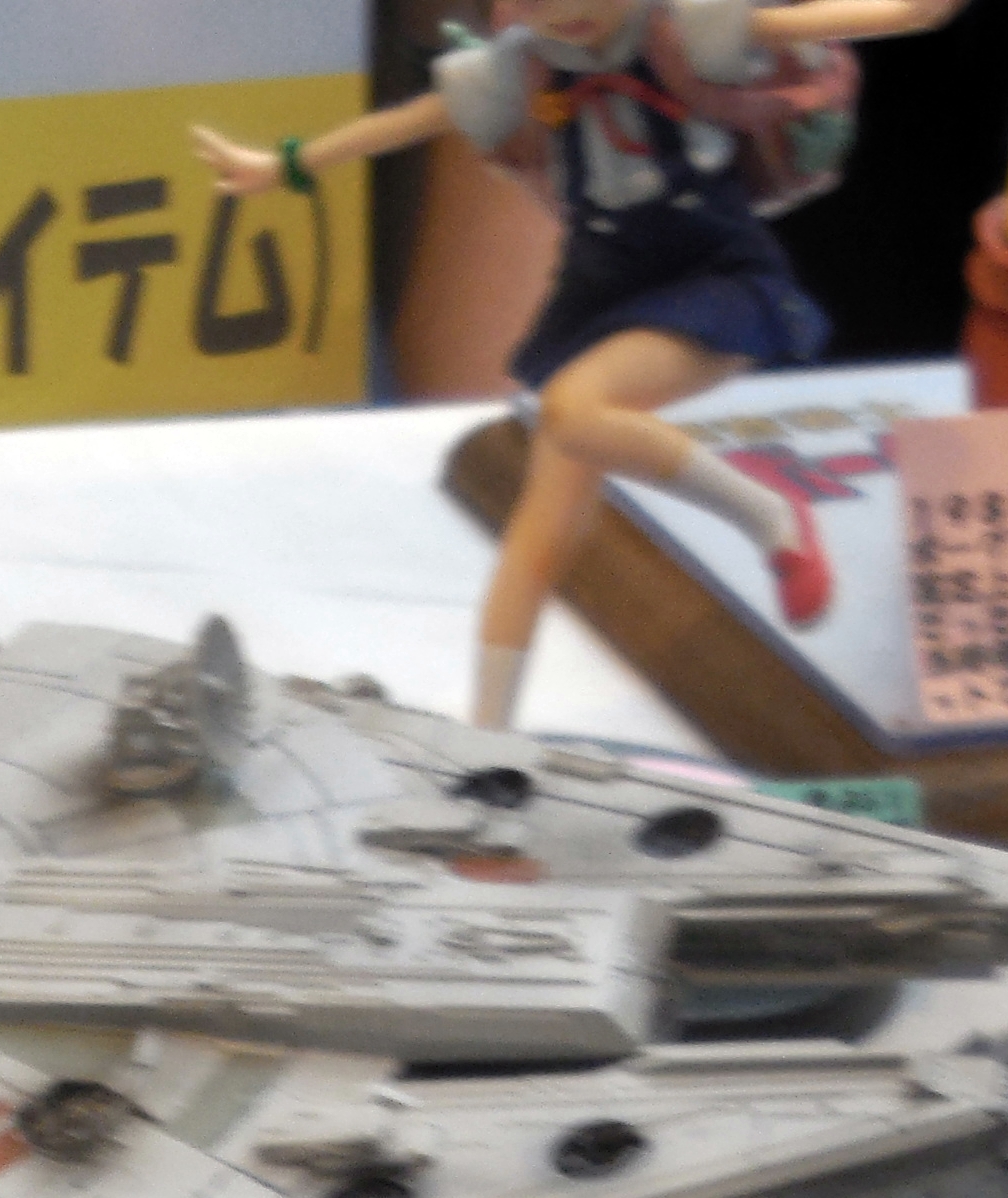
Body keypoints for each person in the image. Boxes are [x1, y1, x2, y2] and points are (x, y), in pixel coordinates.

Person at [194, 0, 969, 728]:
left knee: (572, 408)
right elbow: (411, 121)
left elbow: (850, 17)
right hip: (603, 286)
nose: (567, 14)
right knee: (541, 522)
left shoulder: (692, 30)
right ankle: (489, 734)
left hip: (713, 278)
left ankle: (768, 516)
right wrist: (284, 165)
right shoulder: (521, 66)